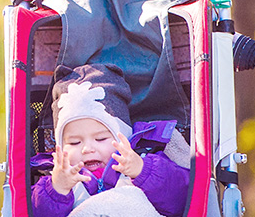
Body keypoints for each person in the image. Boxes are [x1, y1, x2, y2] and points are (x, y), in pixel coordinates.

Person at [31, 64, 190, 217]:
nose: (87, 149)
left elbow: (183, 200)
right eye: (74, 143)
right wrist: (57, 189)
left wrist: (143, 171)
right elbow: (33, 212)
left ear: (124, 137)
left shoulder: (144, 164)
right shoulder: (58, 181)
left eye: (100, 139)